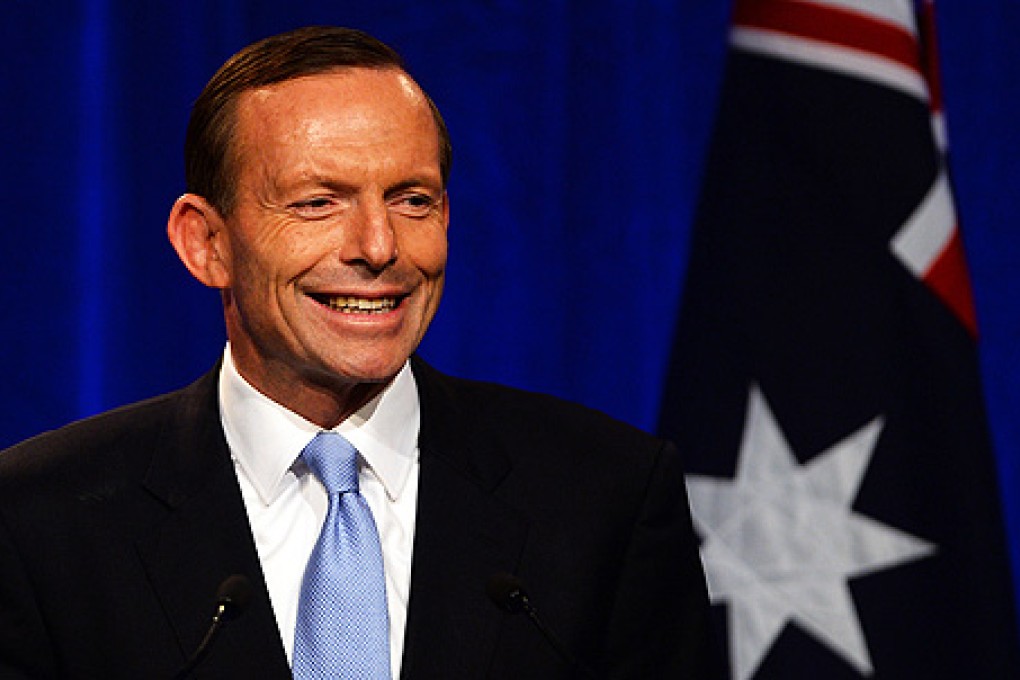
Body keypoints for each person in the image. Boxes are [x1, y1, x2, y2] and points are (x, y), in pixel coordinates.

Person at [0, 26, 715, 678]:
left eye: (412, 200)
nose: (379, 247)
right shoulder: (42, 521)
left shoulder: (604, 497)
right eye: (318, 202)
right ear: (206, 243)